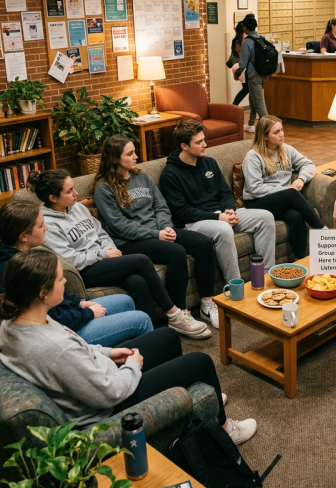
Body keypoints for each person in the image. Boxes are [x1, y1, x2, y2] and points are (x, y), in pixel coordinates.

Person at [0, 249, 257, 445]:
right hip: (109, 406)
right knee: (200, 362)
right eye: (59, 280)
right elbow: (107, 393)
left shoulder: (15, 321)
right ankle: (224, 430)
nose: (65, 283)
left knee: (166, 336)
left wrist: (109, 352)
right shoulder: (54, 348)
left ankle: (199, 397)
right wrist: (132, 367)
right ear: (43, 293)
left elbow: (78, 348)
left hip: (100, 375)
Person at [30, 169, 207, 340]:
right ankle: (174, 314)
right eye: (70, 191)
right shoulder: (49, 224)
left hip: (104, 260)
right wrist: (103, 254)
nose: (76, 193)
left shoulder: (77, 208)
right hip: (85, 269)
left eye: (74, 188)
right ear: (53, 198)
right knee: (142, 261)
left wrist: (109, 249)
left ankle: (147, 335)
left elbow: (100, 232)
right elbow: (70, 259)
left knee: (138, 282)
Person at [92, 135, 220, 330]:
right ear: (115, 158)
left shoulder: (141, 176)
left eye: (134, 151)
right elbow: (119, 225)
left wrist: (165, 228)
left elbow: (161, 206)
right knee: (176, 251)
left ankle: (206, 303)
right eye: (130, 153)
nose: (136, 156)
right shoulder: (103, 188)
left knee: (203, 243)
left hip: (158, 230)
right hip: (129, 241)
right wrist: (156, 235)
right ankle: (180, 314)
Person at [0, 201, 153, 347]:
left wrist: (79, 302)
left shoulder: (23, 255)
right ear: (24, 236)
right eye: (40, 225)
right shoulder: (19, 270)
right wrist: (87, 313)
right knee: (142, 320)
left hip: (67, 315)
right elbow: (53, 318)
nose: (46, 228)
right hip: (61, 332)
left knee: (125, 301)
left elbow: (54, 298)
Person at [159, 120, 276, 292]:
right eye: (199, 142)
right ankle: (236, 288)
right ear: (184, 146)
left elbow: (224, 193)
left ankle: (265, 279)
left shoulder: (209, 163)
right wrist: (218, 217)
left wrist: (229, 209)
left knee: (266, 217)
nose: (205, 145)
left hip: (221, 214)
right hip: (194, 223)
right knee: (223, 229)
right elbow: (182, 211)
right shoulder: (170, 175)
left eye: (203, 139)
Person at [242, 115, 327, 260]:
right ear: (265, 136)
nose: (281, 134)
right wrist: (285, 190)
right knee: (292, 194)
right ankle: (323, 231)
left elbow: (308, 164)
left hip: (281, 200)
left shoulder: (285, 150)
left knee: (295, 215)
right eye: (276, 132)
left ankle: (300, 260)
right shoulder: (253, 157)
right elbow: (255, 189)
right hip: (256, 202)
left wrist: (301, 179)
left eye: (282, 130)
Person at [234, 15, 267, 134]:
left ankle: (269, 129)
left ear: (245, 28)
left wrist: (236, 75)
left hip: (254, 76)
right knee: (253, 98)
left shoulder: (247, 42)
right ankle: (251, 124)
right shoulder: (261, 38)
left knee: (259, 104)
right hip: (264, 74)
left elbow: (242, 63)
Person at [230, 21, 249, 107]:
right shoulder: (242, 40)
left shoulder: (237, 39)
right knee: (246, 89)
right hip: (243, 67)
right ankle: (234, 106)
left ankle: (234, 106)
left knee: (246, 89)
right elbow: (242, 55)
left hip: (241, 67)